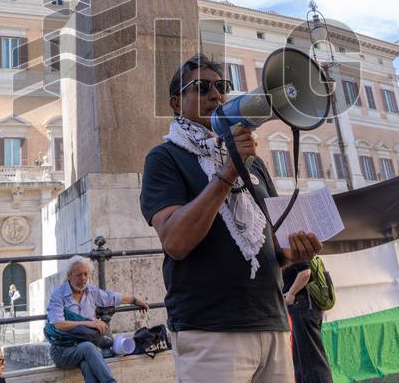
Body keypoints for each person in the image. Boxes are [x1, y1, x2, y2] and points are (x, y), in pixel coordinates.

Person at [141, 54, 322, 383]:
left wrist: (289, 256)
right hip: (211, 329)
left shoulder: (253, 163)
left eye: (222, 87)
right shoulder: (165, 158)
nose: (216, 94)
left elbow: (261, 249)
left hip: (271, 321)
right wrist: (228, 171)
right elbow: (175, 241)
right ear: (176, 102)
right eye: (202, 87)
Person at [45, 255, 148, 383]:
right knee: (88, 348)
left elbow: (111, 297)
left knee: (87, 365)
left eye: (85, 274)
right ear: (69, 275)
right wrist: (90, 323)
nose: (83, 279)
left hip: (85, 349)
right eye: (78, 275)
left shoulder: (91, 290)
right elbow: (58, 324)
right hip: (62, 351)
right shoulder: (59, 294)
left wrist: (134, 300)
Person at [283, 257, 331, 383]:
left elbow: (305, 272)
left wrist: (291, 293)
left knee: (312, 361)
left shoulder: (290, 244)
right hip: (305, 307)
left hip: (302, 306)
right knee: (304, 360)